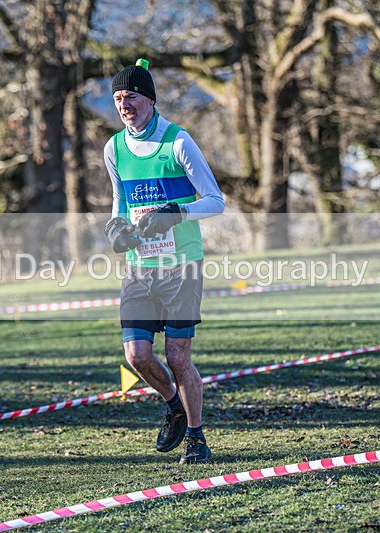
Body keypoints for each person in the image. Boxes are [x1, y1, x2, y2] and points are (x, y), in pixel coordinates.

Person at [103, 59, 225, 464]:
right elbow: (119, 203)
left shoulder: (178, 142)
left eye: (131, 97)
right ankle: (174, 405)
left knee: (177, 357)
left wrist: (176, 212)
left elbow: (215, 202)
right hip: (140, 268)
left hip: (182, 266)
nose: (124, 105)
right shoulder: (114, 148)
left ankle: (196, 437)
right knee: (136, 355)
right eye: (119, 98)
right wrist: (116, 229)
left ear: (150, 100)